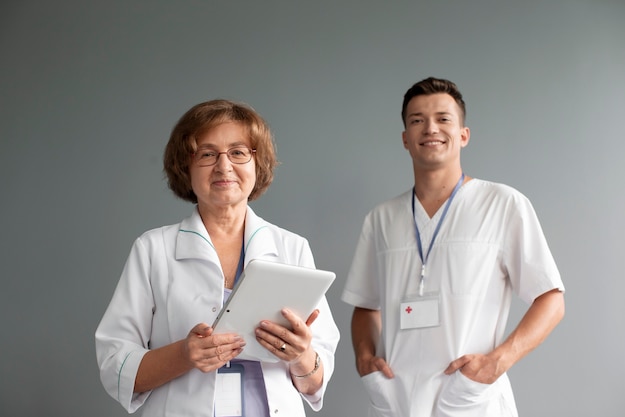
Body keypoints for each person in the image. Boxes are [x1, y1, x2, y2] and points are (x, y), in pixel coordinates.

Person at [95, 99, 340, 417]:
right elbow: (115, 364)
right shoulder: (153, 249)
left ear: (257, 163)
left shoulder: (292, 248)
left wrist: (301, 355)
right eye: (207, 154)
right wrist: (184, 354)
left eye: (238, 152)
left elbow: (316, 380)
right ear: (186, 166)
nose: (224, 166)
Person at [341, 77, 565, 417]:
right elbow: (364, 305)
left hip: (468, 398)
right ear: (405, 139)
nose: (430, 128)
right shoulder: (381, 219)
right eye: (417, 120)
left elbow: (551, 298)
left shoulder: (502, 204)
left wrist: (497, 362)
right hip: (397, 399)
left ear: (463, 135)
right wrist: (364, 358)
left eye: (443, 119)